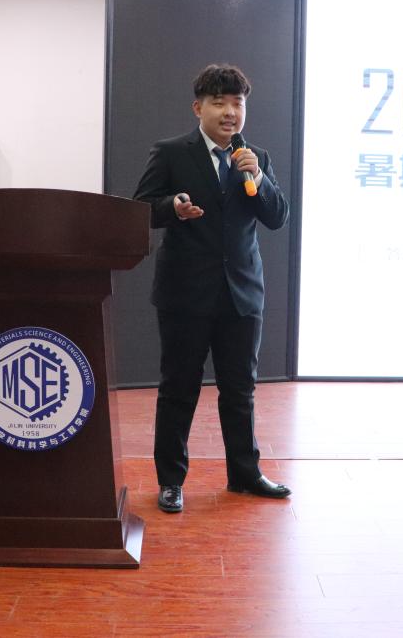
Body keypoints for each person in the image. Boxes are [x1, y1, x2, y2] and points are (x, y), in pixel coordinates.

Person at [133, 64, 291, 513]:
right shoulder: (171, 153)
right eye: (219, 103)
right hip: (185, 292)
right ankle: (171, 481)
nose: (229, 112)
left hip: (242, 292)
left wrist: (259, 178)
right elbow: (140, 209)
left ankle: (245, 474)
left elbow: (277, 216)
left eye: (237, 103)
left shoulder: (254, 157)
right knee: (179, 389)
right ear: (198, 108)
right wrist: (173, 206)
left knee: (240, 390)